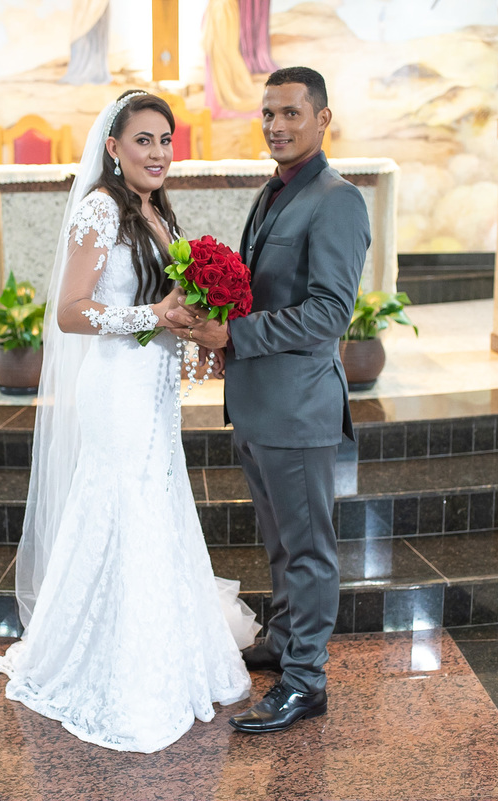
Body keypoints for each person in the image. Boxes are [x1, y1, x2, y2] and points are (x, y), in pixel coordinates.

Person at [0, 90, 258, 754]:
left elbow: (168, 305)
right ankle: (116, 668)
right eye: (143, 140)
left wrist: (197, 328)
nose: (158, 153)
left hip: (153, 385)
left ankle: (159, 648)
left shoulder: (155, 211)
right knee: (122, 505)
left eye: (166, 140)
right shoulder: (101, 208)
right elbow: (70, 311)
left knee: (156, 503)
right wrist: (154, 316)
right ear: (113, 148)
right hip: (115, 388)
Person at [167, 66, 370, 734]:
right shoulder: (274, 192)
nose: (276, 126)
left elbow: (329, 314)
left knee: (308, 550)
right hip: (258, 404)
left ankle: (306, 681)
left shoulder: (337, 200)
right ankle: (283, 642)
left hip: (299, 409)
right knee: (281, 544)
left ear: (322, 118)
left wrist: (235, 334)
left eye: (291, 113)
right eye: (268, 114)